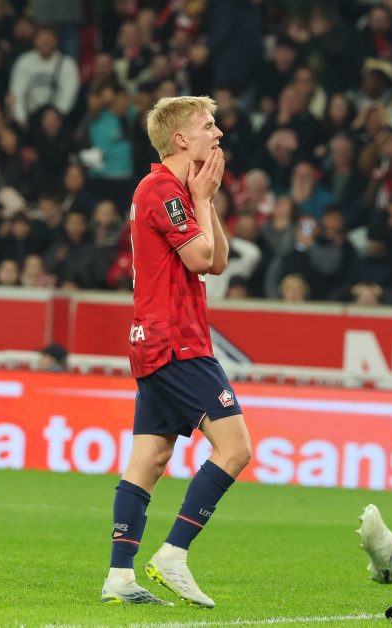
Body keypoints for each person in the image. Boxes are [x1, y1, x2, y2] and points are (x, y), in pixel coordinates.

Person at [101, 96, 252, 609]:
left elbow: (219, 260)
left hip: (160, 339)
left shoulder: (179, 191)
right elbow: (201, 258)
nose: (218, 134)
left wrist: (205, 200)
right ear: (180, 139)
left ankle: (119, 577)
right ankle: (174, 553)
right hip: (175, 340)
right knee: (235, 448)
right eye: (208, 125)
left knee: (151, 457)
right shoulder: (161, 189)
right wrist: (202, 201)